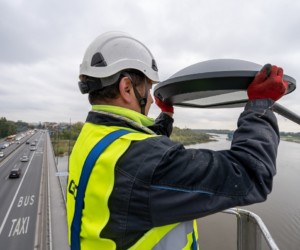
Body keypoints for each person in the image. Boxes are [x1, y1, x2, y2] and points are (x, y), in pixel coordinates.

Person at [66, 31, 288, 250]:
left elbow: (140, 163)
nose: (151, 99)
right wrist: (261, 104)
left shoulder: (92, 136)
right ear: (126, 88)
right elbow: (249, 174)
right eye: (148, 88)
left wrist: (167, 116)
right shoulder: (141, 161)